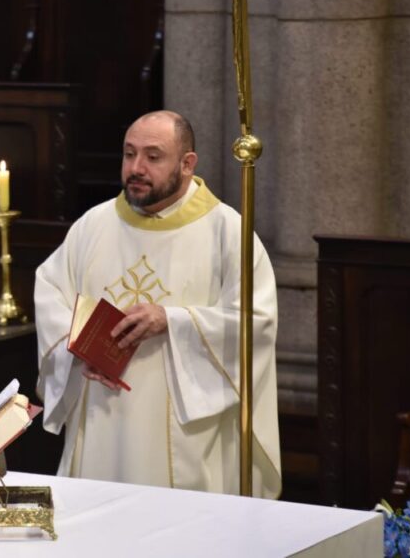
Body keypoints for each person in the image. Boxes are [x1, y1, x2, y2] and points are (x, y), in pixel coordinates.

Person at [34, 111, 281, 497]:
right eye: (129, 154)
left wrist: (173, 320)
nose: (136, 168)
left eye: (153, 157)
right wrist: (84, 347)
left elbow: (255, 323)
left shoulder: (227, 232)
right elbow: (50, 291)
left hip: (185, 437)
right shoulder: (93, 225)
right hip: (100, 417)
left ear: (187, 164)